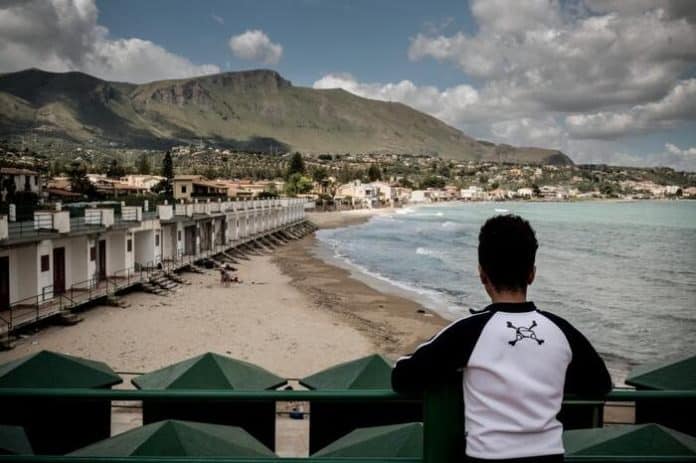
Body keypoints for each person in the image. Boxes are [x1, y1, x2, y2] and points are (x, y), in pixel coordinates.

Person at [392, 214, 612, 462]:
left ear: (482, 274)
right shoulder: (562, 330)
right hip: (549, 457)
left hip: (487, 459)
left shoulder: (467, 332)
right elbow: (601, 384)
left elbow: (403, 377)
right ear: (532, 274)